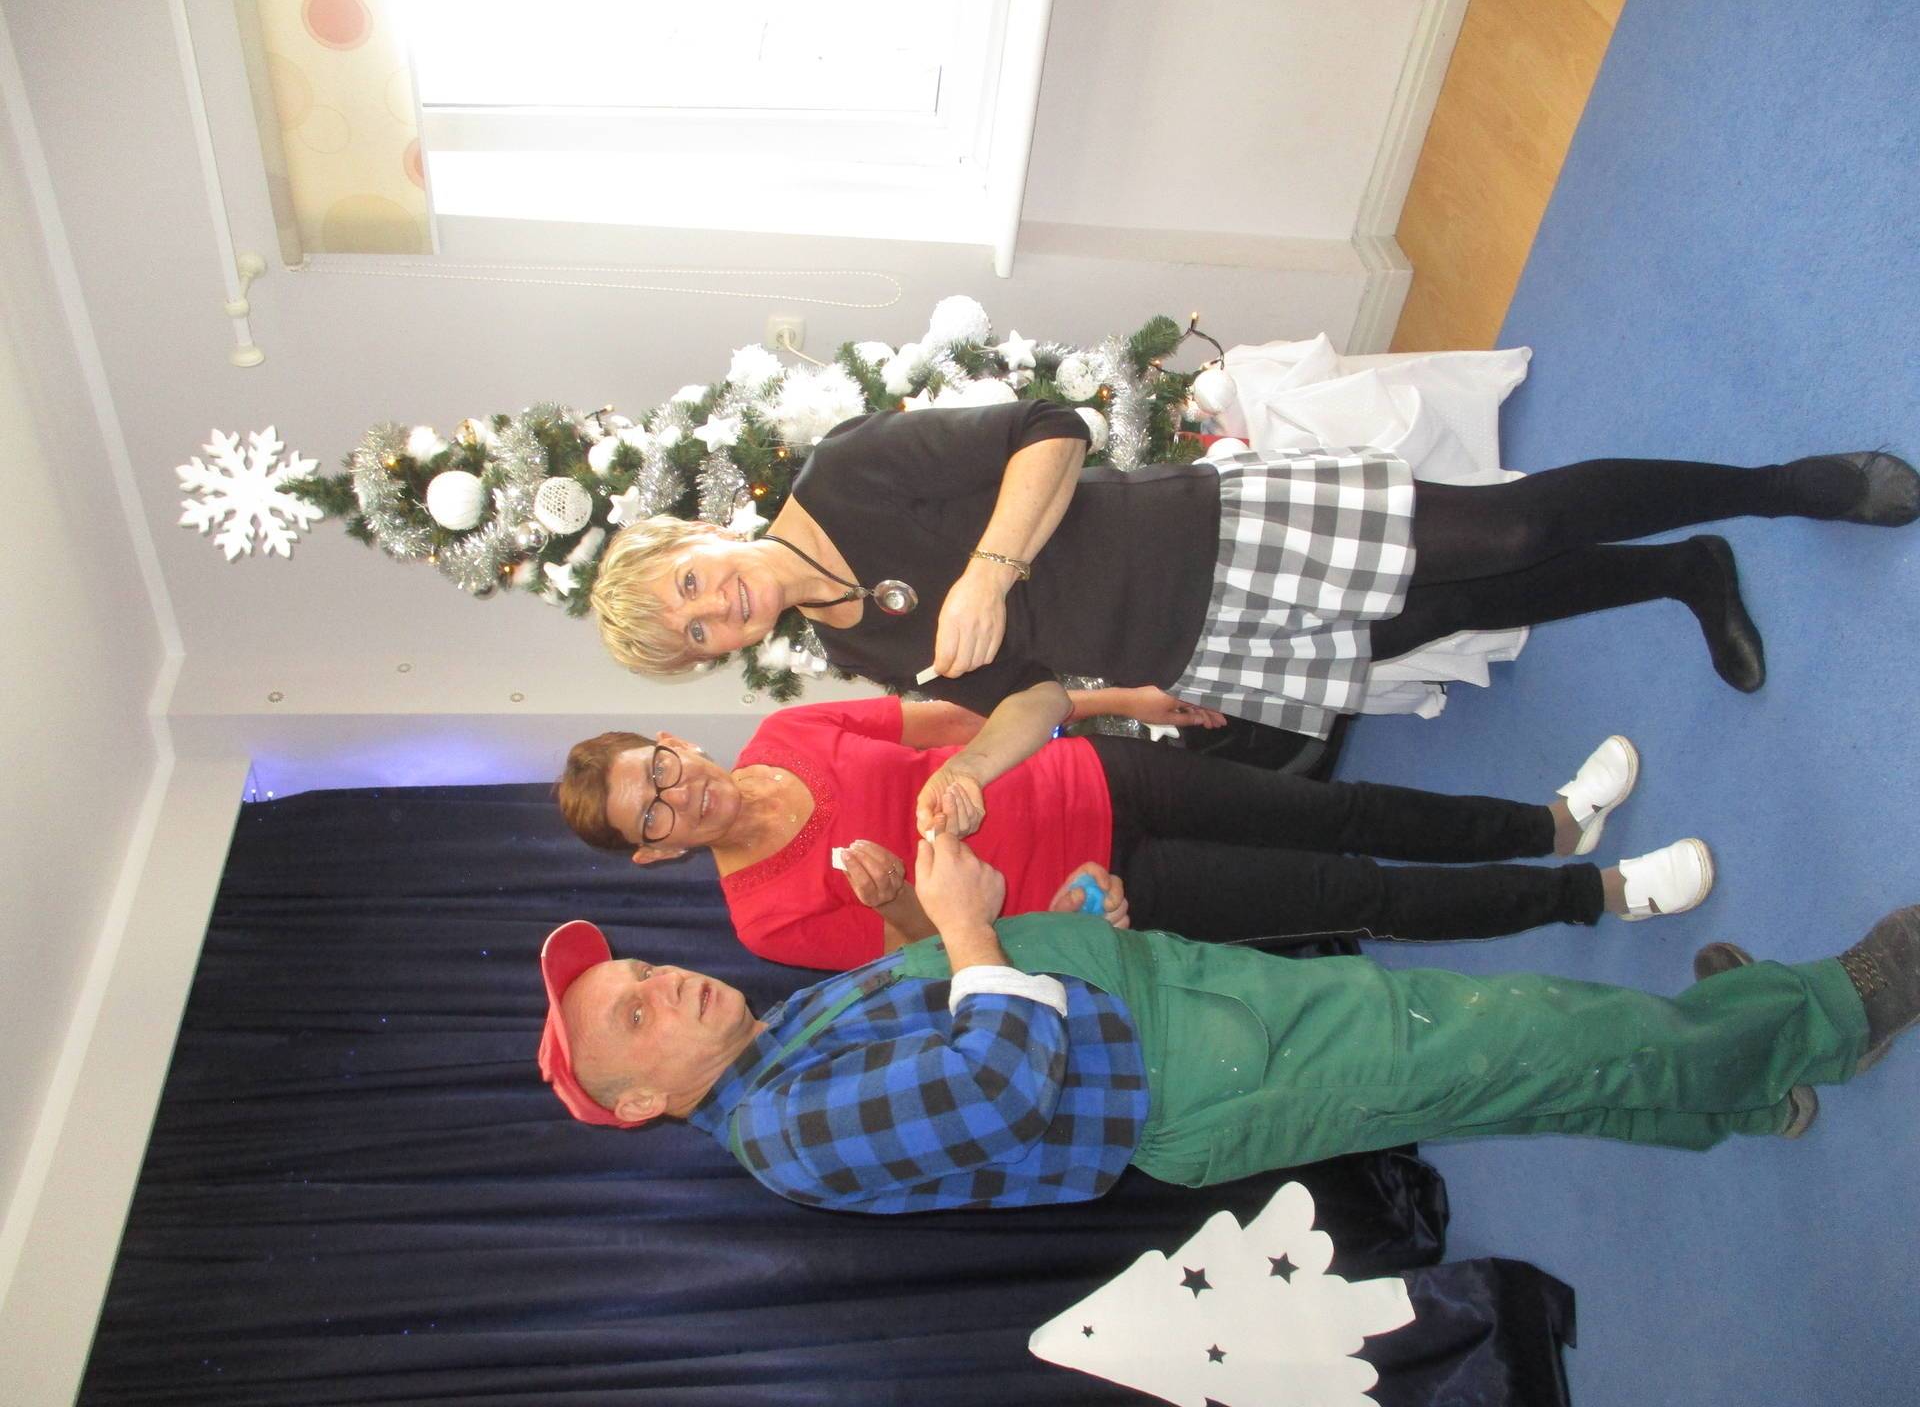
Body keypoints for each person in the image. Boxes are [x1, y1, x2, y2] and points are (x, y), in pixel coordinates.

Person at [588, 396, 1920, 841]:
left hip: (1210, 535)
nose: (716, 609)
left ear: (698, 537)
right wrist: (977, 772)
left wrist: (989, 566)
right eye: (696, 635)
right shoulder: (850, 646)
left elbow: (1051, 431)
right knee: (1458, 609)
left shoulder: (847, 474)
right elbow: (1035, 692)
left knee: (1510, 529)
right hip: (1205, 647)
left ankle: (1787, 486)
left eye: (689, 584)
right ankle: (1683, 573)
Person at [536, 832, 1918, 1215]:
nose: (667, 984)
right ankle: (1836, 1011)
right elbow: (998, 1087)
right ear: (644, 1100)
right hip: (1196, 1074)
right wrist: (964, 929)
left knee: (1506, 1070)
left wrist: (1023, 923)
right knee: (1520, 1032)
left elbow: (966, 1011)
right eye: (635, 1018)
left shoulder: (780, 1042)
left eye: (641, 970)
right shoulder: (780, 1134)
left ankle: (1739, 1076)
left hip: (1174, 1013)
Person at [555, 699, 1708, 970]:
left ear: (674, 741)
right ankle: (1596, 895)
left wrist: (1113, 706)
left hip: (1100, 774)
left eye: (660, 769)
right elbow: (937, 957)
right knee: (1356, 892)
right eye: (649, 813)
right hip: (1105, 895)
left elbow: (963, 721)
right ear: (653, 851)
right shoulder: (764, 919)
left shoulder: (789, 731)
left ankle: (1553, 822)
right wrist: (894, 896)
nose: (675, 796)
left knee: (1340, 808)